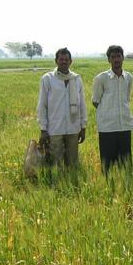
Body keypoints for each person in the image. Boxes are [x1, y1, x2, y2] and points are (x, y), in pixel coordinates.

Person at [31, 48, 87, 176]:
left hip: (73, 128)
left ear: (71, 61)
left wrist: (83, 126)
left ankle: (71, 186)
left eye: (66, 60)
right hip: (54, 129)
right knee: (56, 164)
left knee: (72, 163)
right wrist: (43, 129)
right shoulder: (48, 79)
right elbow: (42, 105)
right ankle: (57, 186)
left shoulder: (76, 79)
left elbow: (82, 104)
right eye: (61, 59)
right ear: (56, 61)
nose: (64, 62)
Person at [91, 46, 133, 170]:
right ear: (108, 60)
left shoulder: (129, 77)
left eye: (118, 56)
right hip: (107, 127)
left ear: (123, 58)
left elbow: (126, 98)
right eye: (113, 57)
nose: (116, 59)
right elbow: (95, 101)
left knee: (126, 164)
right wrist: (108, 112)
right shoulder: (101, 78)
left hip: (124, 125)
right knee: (107, 165)